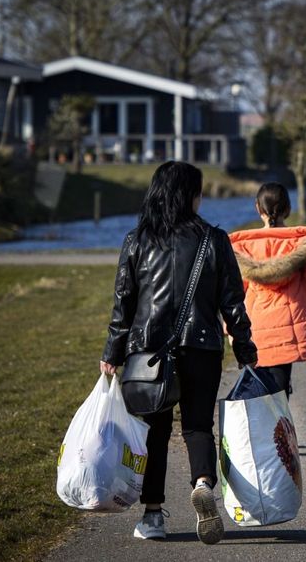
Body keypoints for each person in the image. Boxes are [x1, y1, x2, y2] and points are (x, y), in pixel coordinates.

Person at [100, 161, 257, 545]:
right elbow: (232, 300)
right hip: (201, 346)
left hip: (147, 352)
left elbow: (124, 303)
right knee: (198, 426)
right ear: (190, 195)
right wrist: (243, 343)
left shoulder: (136, 240)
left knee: (153, 432)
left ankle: (153, 516)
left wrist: (112, 351)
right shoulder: (213, 239)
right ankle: (203, 483)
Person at [229, 183, 306, 397]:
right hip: (290, 324)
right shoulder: (301, 244)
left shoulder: (242, 248)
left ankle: (264, 427)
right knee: (280, 386)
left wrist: (230, 331)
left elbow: (233, 294)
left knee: (260, 383)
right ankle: (280, 426)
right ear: (288, 209)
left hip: (256, 325)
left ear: (258, 208)